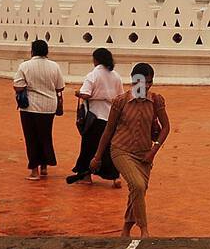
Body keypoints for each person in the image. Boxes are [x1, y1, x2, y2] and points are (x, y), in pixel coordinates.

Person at [93, 62, 170, 237]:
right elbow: (109, 130)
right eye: (144, 82)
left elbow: (166, 127)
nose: (147, 86)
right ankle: (144, 229)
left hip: (144, 153)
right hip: (121, 150)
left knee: (138, 190)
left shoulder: (156, 100)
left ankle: (126, 228)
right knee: (137, 185)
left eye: (150, 82)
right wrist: (97, 156)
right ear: (134, 81)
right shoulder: (120, 102)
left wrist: (153, 150)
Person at [67, 47, 123, 186]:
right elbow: (121, 97)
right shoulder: (116, 76)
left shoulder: (93, 75)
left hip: (95, 115)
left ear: (96, 60)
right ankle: (115, 176)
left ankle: (86, 176)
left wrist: (78, 93)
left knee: (89, 147)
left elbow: (86, 93)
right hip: (110, 115)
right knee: (109, 147)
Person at [13, 39, 64, 180]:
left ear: (32, 50)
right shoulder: (54, 66)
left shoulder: (25, 66)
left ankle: (34, 170)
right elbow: (60, 87)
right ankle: (44, 167)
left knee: (31, 138)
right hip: (49, 106)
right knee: (45, 136)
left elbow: (18, 86)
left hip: (30, 107)